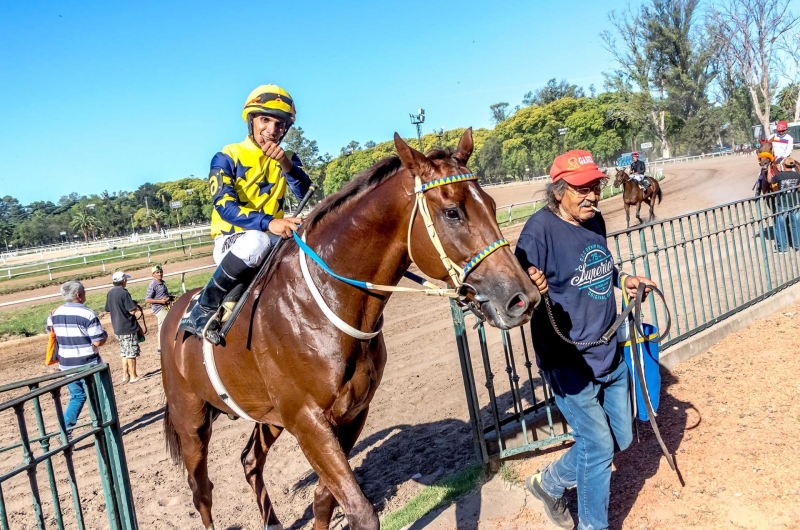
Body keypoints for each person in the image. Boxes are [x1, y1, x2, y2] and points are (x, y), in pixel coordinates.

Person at [515, 150, 657, 530]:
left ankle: (550, 483)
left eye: (595, 185)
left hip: (608, 353)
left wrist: (623, 280)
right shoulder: (537, 232)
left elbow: (602, 266)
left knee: (621, 439)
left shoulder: (595, 222)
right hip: (568, 362)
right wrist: (531, 286)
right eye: (583, 188)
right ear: (559, 191)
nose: (593, 195)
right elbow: (517, 299)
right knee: (596, 446)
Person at [187, 84, 312, 343]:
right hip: (234, 241)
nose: (272, 130)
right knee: (258, 240)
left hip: (276, 237)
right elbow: (225, 207)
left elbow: (304, 193)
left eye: (280, 124)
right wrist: (269, 223)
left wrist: (285, 164)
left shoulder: (288, 158)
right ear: (251, 121)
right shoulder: (226, 156)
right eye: (265, 120)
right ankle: (204, 307)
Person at [46, 281, 108, 435]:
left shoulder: (54, 313)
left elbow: (51, 333)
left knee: (77, 396)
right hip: (88, 364)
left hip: (66, 364)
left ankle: (65, 430)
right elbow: (98, 341)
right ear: (79, 295)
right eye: (84, 291)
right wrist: (105, 334)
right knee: (99, 396)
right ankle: (104, 427)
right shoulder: (87, 314)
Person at [105, 271, 142, 383]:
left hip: (117, 327)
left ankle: (125, 375)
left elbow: (108, 308)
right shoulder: (124, 293)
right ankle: (133, 376)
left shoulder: (110, 293)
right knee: (131, 352)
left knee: (124, 352)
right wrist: (134, 306)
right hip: (127, 327)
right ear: (124, 280)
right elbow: (131, 311)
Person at [771, 157, 800, 253]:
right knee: (796, 224)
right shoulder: (797, 175)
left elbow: (770, 180)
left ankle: (783, 248)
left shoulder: (780, 176)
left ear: (784, 165)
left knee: (780, 225)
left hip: (782, 203)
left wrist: (770, 170)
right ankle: (798, 246)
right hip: (794, 202)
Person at [144, 264, 172, 355]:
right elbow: (148, 299)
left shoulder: (162, 283)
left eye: (160, 272)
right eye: (157, 272)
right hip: (159, 308)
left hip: (164, 307)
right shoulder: (153, 285)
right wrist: (161, 301)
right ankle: (164, 346)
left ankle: (161, 347)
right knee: (167, 324)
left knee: (163, 327)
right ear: (153, 274)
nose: (160, 274)